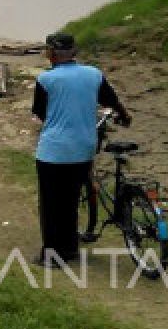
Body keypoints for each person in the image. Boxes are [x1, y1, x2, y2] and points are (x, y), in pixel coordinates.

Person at [31, 32, 130, 267]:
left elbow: (39, 112)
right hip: (84, 149)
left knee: (52, 205)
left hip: (54, 152)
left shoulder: (46, 80)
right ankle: (70, 248)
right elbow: (111, 101)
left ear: (51, 54)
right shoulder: (94, 74)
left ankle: (53, 256)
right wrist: (124, 116)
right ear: (73, 52)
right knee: (71, 199)